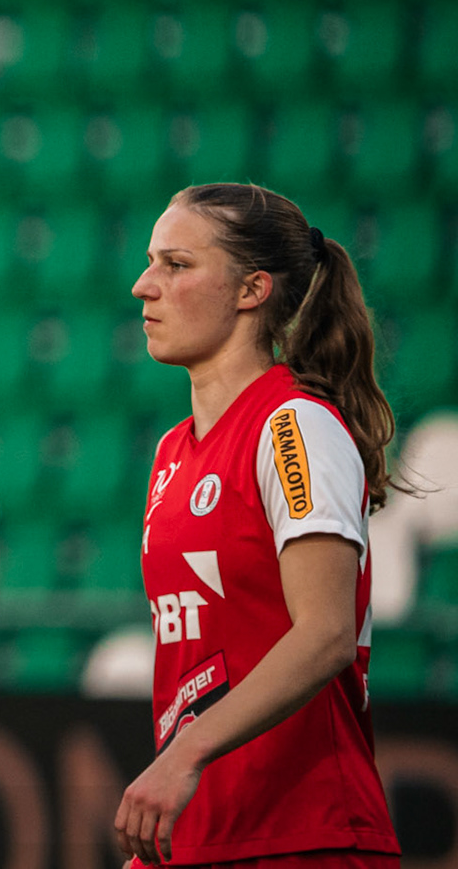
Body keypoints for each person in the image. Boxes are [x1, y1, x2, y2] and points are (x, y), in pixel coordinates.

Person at [117, 183, 402, 869]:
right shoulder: (170, 453)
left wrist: (184, 754)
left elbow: (326, 634)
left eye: (177, 265)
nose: (143, 286)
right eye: (151, 263)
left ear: (252, 290)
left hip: (306, 836)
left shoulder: (293, 427)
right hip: (201, 835)